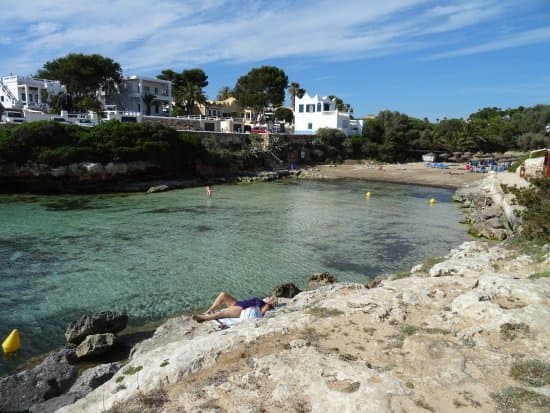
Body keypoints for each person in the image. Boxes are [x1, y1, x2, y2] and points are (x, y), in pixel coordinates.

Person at [192, 291, 278, 322]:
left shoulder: (267, 305)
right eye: (271, 298)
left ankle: (203, 318)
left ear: (272, 304)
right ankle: (209, 310)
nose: (270, 298)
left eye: (272, 300)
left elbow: (259, 314)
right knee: (223, 295)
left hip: (242, 309)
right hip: (238, 303)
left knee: (222, 313)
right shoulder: (262, 300)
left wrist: (268, 305)